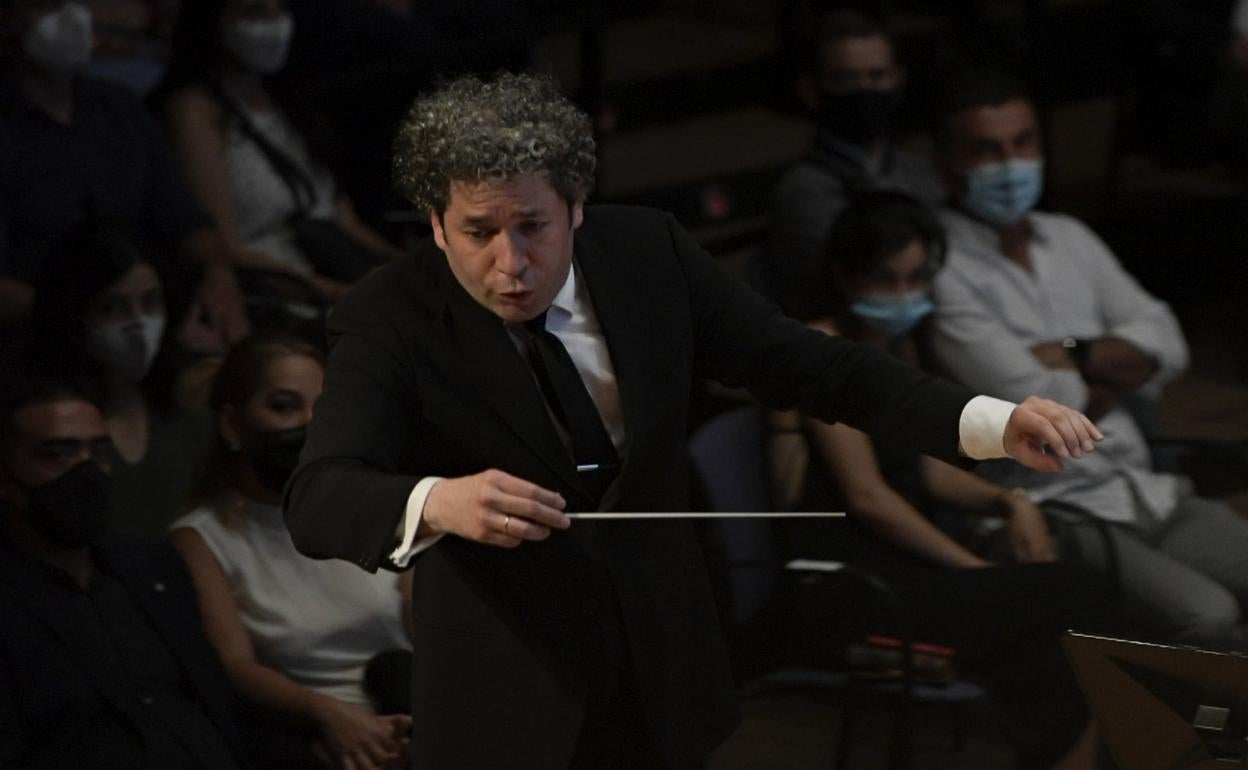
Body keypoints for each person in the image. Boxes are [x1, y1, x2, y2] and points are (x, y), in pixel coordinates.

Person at [283, 72, 1102, 770]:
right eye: (477, 233)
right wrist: (437, 501)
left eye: (531, 226)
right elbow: (319, 495)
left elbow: (810, 365)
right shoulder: (386, 315)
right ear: (434, 224)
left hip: (660, 659)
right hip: (509, 692)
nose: (510, 263)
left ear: (576, 206)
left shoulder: (648, 254)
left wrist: (986, 418)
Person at [770, 190, 1102, 769]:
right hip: (853, 583)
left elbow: (921, 467)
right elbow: (870, 498)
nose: (904, 296)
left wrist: (1010, 502)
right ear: (844, 274)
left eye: (916, 279)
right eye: (886, 280)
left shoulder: (896, 346)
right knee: (1059, 597)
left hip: (908, 569)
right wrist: (976, 571)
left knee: (1048, 641)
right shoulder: (821, 351)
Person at [928, 69, 1248, 650]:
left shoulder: (1069, 237)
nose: (1009, 163)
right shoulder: (941, 269)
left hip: (1142, 485)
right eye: (986, 150)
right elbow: (1031, 401)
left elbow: (1169, 342)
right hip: (1058, 507)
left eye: (1022, 143)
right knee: (1210, 616)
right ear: (945, 162)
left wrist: (1073, 352)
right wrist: (1119, 368)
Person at [172, 333, 413, 770]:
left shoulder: (367, 505)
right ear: (232, 425)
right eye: (284, 407)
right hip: (315, 738)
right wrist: (327, 715)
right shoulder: (202, 539)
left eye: (321, 408)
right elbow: (236, 665)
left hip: (412, 705)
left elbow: (428, 620)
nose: (309, 424)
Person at [0, 378, 246, 769]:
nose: (87, 471)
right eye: (58, 454)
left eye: (98, 452)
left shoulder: (151, 568)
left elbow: (214, 701)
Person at [0, 0, 247, 343]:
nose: (71, 17)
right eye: (47, 6)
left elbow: (186, 219)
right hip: (42, 341)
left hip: (152, 319)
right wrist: (80, 318)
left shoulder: (118, 107)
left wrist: (218, 277)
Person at [155, 0, 404, 303]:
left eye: (280, 10)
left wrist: (419, 266)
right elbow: (223, 250)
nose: (273, 24)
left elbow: (345, 223)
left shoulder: (292, 99)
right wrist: (338, 294)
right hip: (282, 296)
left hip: (341, 277)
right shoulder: (195, 110)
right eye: (254, 12)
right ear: (213, 22)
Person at [749, 9, 944, 320]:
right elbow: (850, 294)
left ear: (897, 79)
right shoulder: (803, 192)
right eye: (846, 79)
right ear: (811, 90)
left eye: (877, 76)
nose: (864, 90)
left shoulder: (919, 171)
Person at [26, 222, 215, 537]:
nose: (138, 324)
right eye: (112, 307)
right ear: (74, 314)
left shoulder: (186, 405)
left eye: (150, 302)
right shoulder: (49, 422)